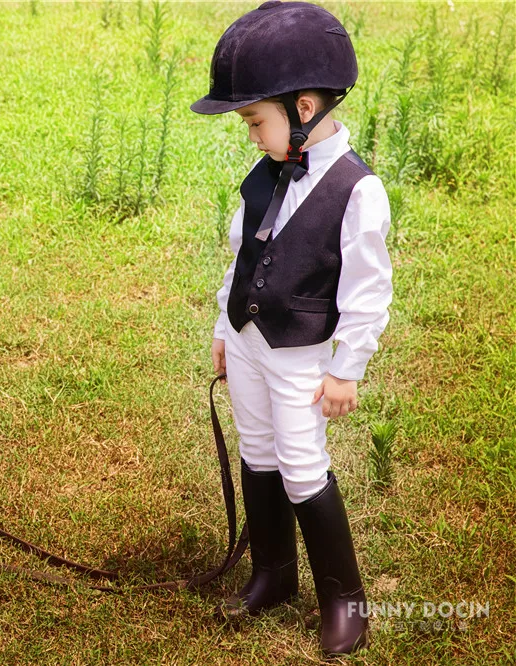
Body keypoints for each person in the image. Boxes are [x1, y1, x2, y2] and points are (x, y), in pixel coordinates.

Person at [190, 1, 393, 656]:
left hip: (302, 354)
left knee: (303, 466)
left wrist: (346, 369)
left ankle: (345, 600)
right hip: (249, 345)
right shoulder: (264, 177)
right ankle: (272, 574)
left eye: (255, 120)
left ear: (303, 109)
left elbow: (368, 292)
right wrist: (225, 326)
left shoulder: (357, 192)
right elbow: (242, 260)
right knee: (259, 451)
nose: (250, 135)